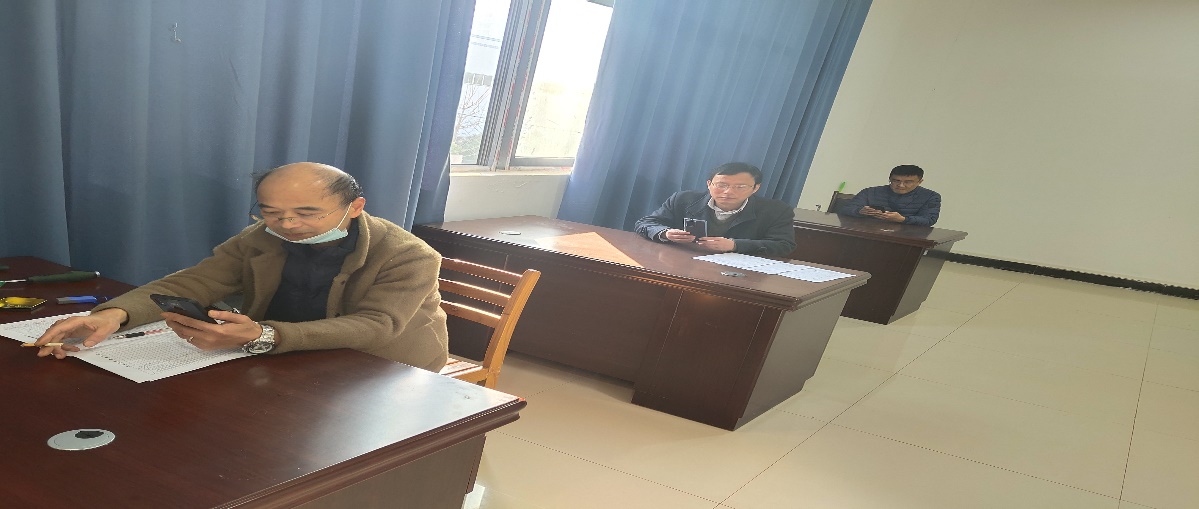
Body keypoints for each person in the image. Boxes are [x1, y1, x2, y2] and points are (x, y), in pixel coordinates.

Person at [32, 162, 449, 372]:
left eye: (307, 213)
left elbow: (376, 326)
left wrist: (265, 335)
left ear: (355, 207)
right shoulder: (262, 237)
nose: (288, 225)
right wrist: (113, 314)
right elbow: (197, 281)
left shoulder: (408, 255)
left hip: (381, 365)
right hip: (284, 355)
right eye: (272, 212)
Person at [634, 162, 797, 257]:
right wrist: (665, 233)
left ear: (755, 188)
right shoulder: (683, 199)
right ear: (709, 184)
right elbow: (645, 223)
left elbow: (783, 245)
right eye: (721, 185)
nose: (728, 192)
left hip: (738, 274)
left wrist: (734, 245)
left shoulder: (776, 210)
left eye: (740, 187)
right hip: (685, 262)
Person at [839, 164, 941, 226]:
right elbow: (845, 209)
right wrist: (859, 211)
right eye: (896, 181)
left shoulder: (931, 196)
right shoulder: (870, 192)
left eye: (908, 182)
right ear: (890, 179)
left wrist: (903, 219)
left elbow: (929, 220)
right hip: (868, 231)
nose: (901, 185)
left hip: (906, 237)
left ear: (920, 182)